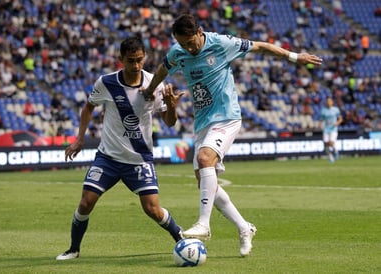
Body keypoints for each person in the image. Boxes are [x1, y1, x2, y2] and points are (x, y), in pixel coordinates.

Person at [141, 14, 323, 257]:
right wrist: (150, 90)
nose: (189, 48)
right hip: (203, 122)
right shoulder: (178, 52)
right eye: (183, 44)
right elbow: (163, 68)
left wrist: (293, 56)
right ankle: (244, 227)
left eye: (191, 43)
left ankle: (204, 225)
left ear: (200, 31)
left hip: (227, 116)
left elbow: (260, 46)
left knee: (206, 160)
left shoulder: (221, 43)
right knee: (205, 182)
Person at [56, 36, 184, 260]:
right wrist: (79, 138)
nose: (136, 66)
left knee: (152, 209)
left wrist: (172, 108)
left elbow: (170, 122)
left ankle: (181, 239)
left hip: (139, 159)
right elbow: (88, 107)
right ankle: (74, 249)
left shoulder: (155, 83)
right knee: (86, 202)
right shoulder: (107, 82)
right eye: (131, 61)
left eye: (140, 60)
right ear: (121, 60)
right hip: (108, 157)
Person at [319, 97, 343, 163]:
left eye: (330, 101)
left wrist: (337, 123)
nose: (328, 102)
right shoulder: (323, 110)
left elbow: (340, 119)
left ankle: (336, 151)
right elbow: (321, 119)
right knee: (326, 144)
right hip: (326, 129)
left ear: (332, 102)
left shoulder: (336, 110)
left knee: (331, 143)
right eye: (327, 101)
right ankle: (331, 157)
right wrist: (320, 125)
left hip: (333, 129)